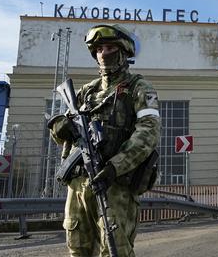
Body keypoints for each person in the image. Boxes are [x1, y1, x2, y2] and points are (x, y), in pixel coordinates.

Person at [48, 24, 161, 257]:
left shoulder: (139, 88)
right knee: (77, 249)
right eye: (99, 48)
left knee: (115, 250)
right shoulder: (86, 92)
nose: (104, 53)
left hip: (114, 185)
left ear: (124, 52)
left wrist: (115, 166)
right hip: (79, 184)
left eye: (110, 47)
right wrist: (60, 129)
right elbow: (63, 137)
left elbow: (148, 132)